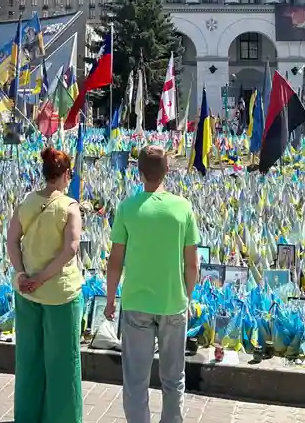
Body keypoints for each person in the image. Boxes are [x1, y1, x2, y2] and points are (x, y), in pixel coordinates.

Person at [105, 146, 199, 423]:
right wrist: (186, 297)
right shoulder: (183, 208)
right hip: (173, 303)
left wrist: (110, 300)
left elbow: (115, 262)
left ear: (139, 172)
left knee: (135, 381)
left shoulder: (127, 208)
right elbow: (192, 265)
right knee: (173, 379)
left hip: (136, 304)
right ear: (167, 171)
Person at [6, 147, 83, 423]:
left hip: (27, 293)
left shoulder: (27, 202)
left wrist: (23, 274)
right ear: (65, 175)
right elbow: (71, 249)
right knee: (63, 363)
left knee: (29, 360)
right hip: (61, 295)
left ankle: (27, 416)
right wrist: (44, 277)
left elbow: (12, 240)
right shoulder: (69, 206)